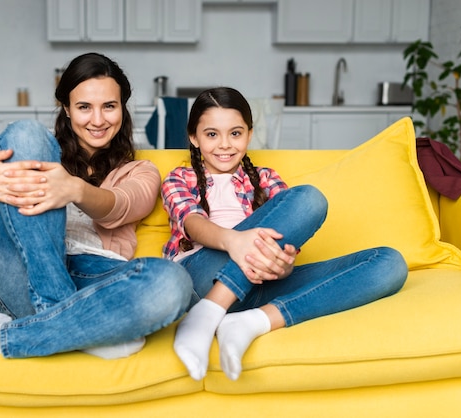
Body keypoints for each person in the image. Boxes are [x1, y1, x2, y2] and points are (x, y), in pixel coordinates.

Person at [0, 52, 192, 359]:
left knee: (173, 282)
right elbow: (7, 217)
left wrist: (72, 189)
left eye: (109, 106)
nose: (98, 120)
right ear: (67, 110)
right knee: (25, 134)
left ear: (122, 108)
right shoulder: (38, 155)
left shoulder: (141, 170)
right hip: (15, 275)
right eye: (84, 107)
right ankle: (75, 320)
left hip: (92, 275)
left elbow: (119, 206)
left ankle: (12, 336)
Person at [161, 87, 408, 381]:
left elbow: (289, 230)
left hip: (260, 287)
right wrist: (235, 241)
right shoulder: (181, 177)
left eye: (235, 133)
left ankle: (252, 321)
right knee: (311, 198)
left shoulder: (265, 178)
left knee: (390, 263)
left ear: (249, 135)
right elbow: (192, 223)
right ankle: (209, 309)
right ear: (193, 137)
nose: (224, 144)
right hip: (201, 277)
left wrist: (283, 264)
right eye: (212, 134)